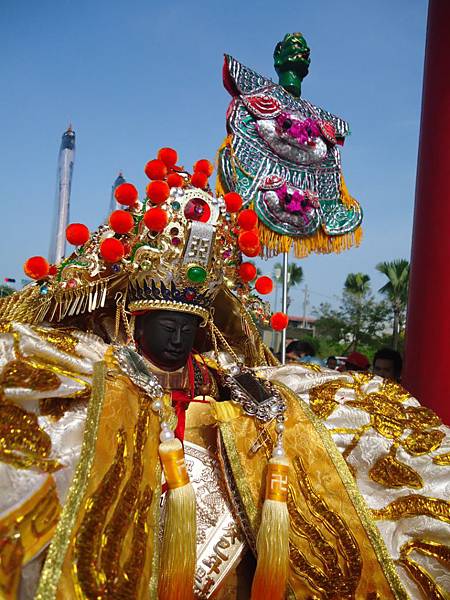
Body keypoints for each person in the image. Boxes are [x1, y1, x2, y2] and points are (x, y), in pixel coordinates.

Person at [0, 149, 449, 600]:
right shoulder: (101, 372)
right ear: (136, 323)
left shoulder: (224, 380)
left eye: (188, 329)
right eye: (167, 327)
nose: (178, 339)